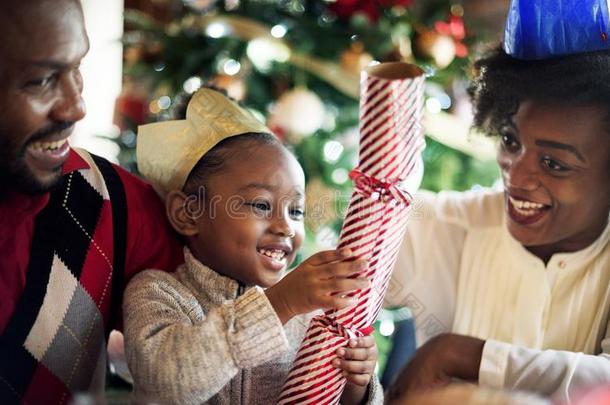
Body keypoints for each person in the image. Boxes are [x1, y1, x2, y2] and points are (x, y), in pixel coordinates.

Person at [384, 2, 610, 403]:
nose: (516, 176)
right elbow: (326, 288)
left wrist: (461, 355)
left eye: (554, 163)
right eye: (510, 141)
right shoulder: (444, 227)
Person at [123, 88, 383, 404]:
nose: (286, 226)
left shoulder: (310, 318)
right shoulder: (158, 292)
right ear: (188, 213)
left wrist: (356, 385)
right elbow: (166, 383)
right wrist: (279, 304)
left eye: (296, 211)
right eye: (261, 205)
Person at [0, 0, 182, 403]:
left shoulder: (108, 201)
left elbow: (224, 356)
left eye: (76, 68)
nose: (76, 106)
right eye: (41, 80)